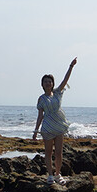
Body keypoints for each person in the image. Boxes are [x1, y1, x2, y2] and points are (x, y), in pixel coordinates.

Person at [32, 57, 77, 185]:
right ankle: (50, 175)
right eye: (45, 82)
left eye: (50, 81)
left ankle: (58, 174)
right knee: (48, 152)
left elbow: (65, 80)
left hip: (59, 127)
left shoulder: (57, 93)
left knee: (58, 153)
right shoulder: (41, 99)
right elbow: (40, 115)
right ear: (42, 84)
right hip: (47, 128)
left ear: (52, 84)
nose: (48, 83)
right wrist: (35, 131)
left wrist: (71, 66)